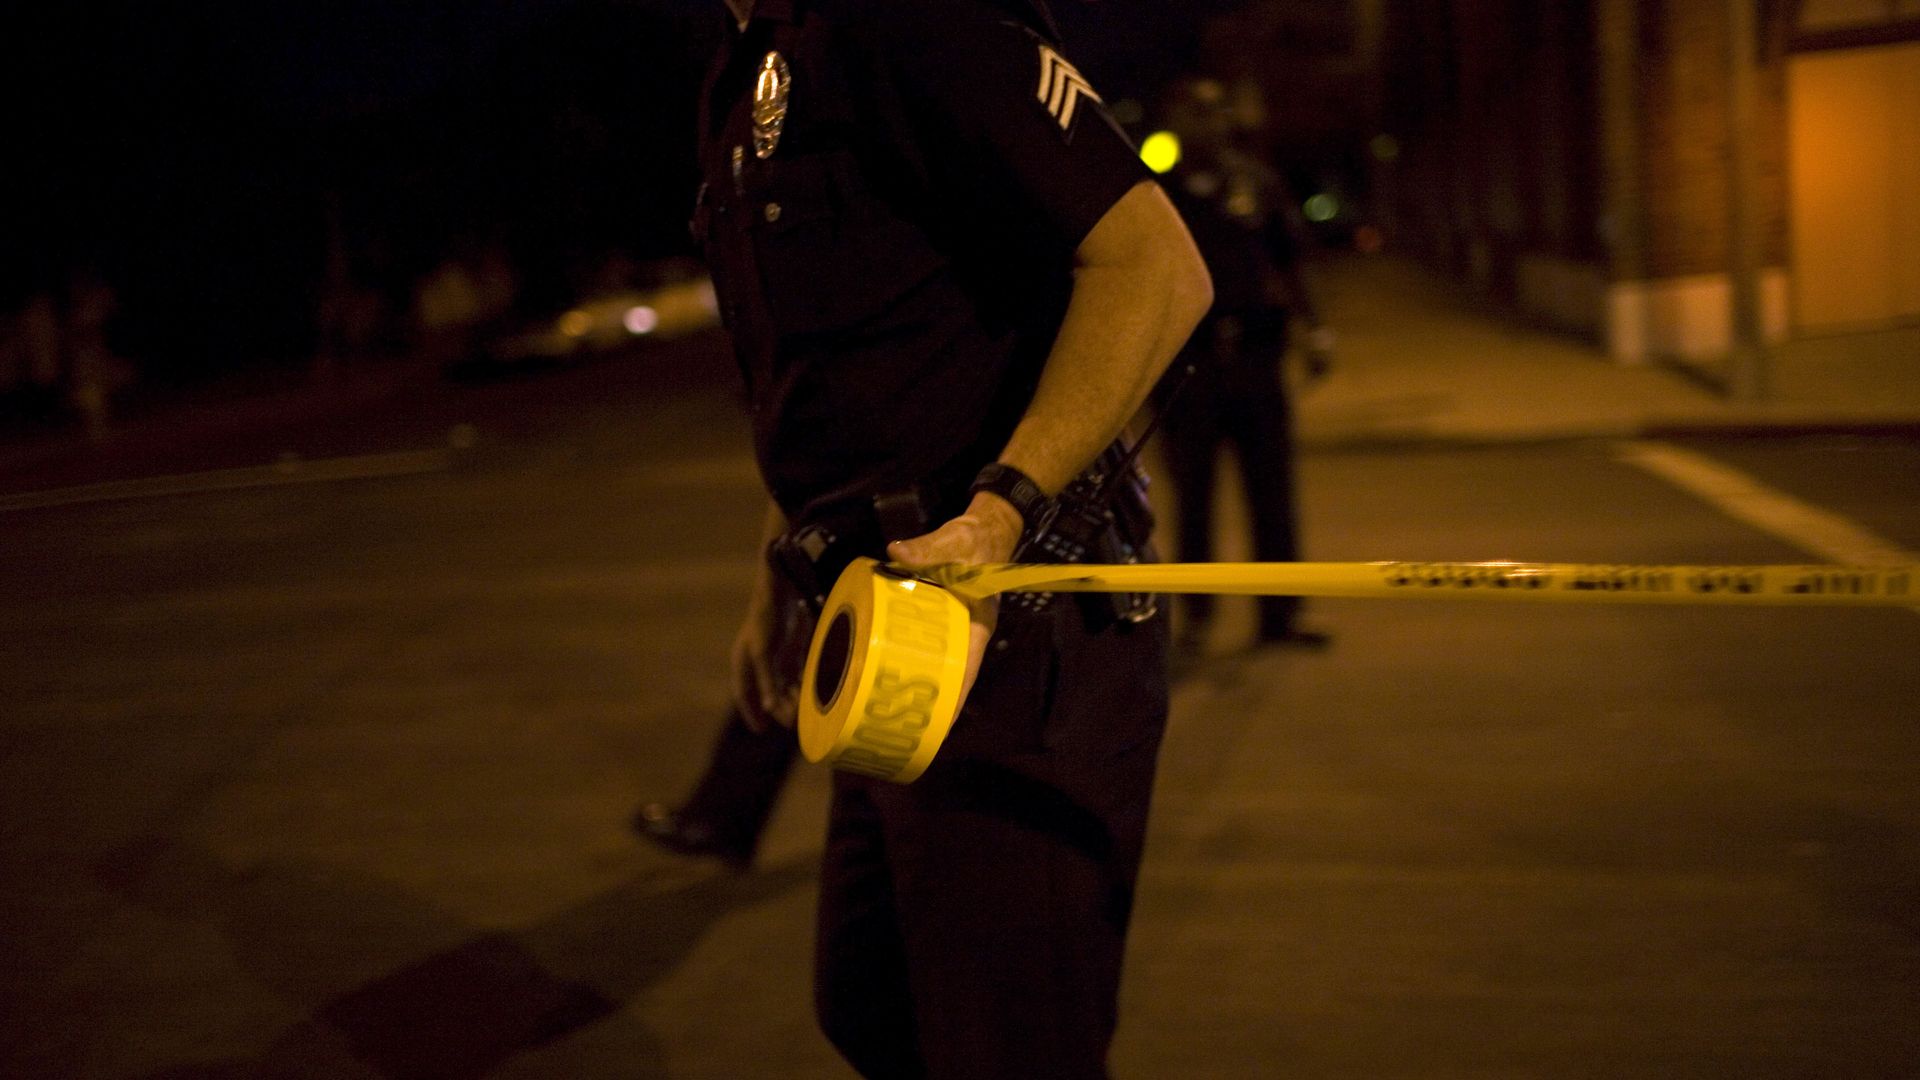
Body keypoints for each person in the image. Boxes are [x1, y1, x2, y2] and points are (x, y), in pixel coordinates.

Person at [691, 0, 1212, 1076]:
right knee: (873, 1010)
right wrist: (774, 580)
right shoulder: (747, 73)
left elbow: (1156, 266)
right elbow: (818, 375)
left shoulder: (919, 23)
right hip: (885, 628)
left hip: (1012, 629)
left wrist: (1002, 510)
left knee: (1010, 1049)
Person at [1153, 76, 1335, 657]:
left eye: (1213, 113)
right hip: (1189, 365)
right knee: (1194, 496)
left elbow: (1290, 260)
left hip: (1256, 355)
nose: (1203, 125)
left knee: (1272, 492)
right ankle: (1198, 619)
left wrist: (1316, 331)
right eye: (1191, 114)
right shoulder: (1157, 190)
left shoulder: (1255, 182)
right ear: (1175, 121)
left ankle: (1280, 616)